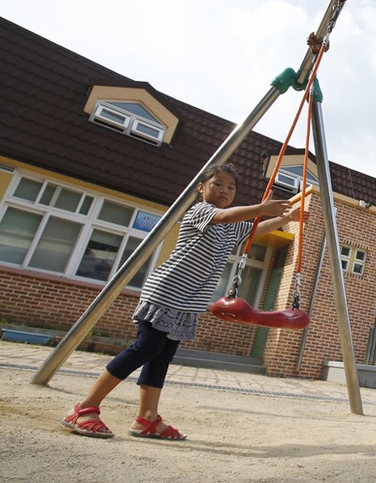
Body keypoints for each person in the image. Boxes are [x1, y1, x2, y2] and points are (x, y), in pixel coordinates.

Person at [61, 164, 298, 440]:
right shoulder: (201, 213)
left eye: (230, 187)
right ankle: (85, 407)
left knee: (161, 357)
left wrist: (288, 217)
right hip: (167, 292)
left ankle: (147, 418)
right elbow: (223, 216)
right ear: (202, 188)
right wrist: (260, 208)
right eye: (218, 184)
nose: (224, 190)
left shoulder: (232, 228)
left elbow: (255, 230)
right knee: (144, 349)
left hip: (188, 302)